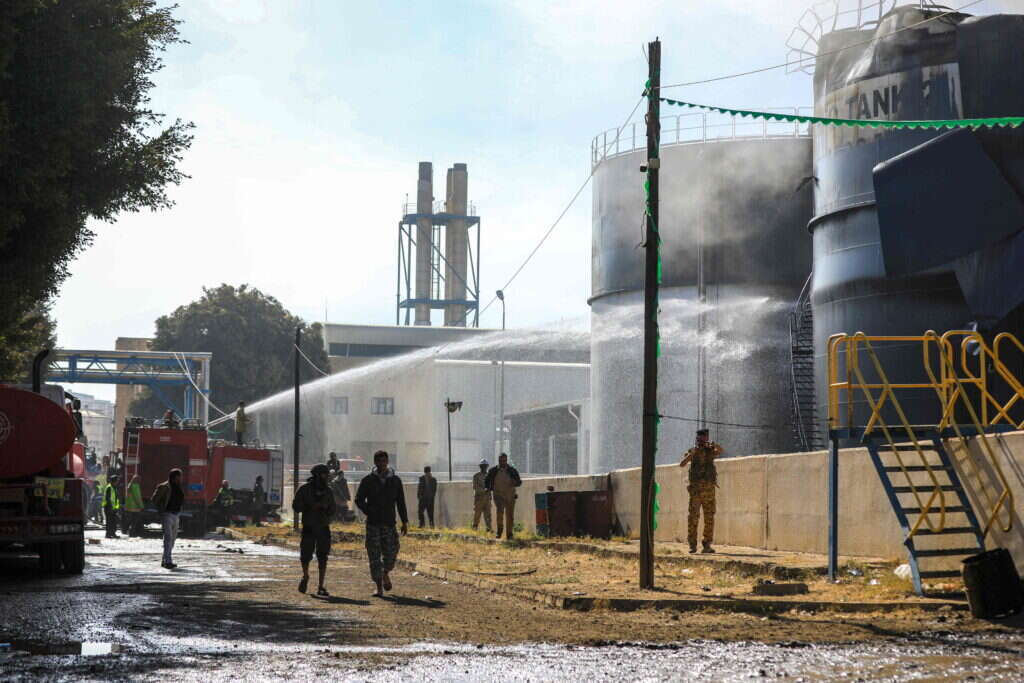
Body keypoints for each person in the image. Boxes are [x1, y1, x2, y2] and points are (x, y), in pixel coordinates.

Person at [355, 450, 408, 598]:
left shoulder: (395, 481)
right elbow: (359, 499)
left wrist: (404, 521)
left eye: (384, 461)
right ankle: (379, 587)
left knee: (392, 552)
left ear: (387, 462)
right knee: (374, 556)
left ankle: (385, 573)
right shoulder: (368, 480)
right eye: (379, 461)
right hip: (373, 524)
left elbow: (401, 502)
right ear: (375, 462)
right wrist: (369, 511)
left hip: (389, 523)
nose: (382, 464)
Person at [292, 464, 336, 596]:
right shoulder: (304, 490)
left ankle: (321, 586)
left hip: (323, 527)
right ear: (317, 475)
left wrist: (325, 507)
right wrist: (309, 506)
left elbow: (333, 509)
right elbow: (296, 506)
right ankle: (305, 576)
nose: (326, 477)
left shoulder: (328, 491)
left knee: (323, 556)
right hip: (309, 526)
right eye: (324, 475)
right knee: (305, 555)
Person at [679, 428, 724, 554]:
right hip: (696, 492)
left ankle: (707, 545)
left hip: (709, 491)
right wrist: (692, 454)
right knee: (693, 517)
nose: (701, 440)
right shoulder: (692, 451)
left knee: (709, 518)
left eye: (704, 438)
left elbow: (721, 451)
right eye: (700, 438)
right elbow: (682, 464)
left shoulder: (710, 450)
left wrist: (714, 445)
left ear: (707, 438)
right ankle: (692, 545)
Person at [151, 468, 185, 569]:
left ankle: (165, 559)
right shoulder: (164, 487)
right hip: (167, 514)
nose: (181, 478)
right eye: (179, 476)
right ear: (175, 477)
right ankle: (168, 561)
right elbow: (154, 499)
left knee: (172, 539)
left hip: (176, 514)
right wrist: (162, 510)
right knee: (168, 538)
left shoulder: (178, 487)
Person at [485, 453, 522, 540]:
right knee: (500, 512)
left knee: (510, 515)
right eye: (501, 460)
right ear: (498, 460)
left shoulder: (512, 470)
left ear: (506, 460)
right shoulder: (493, 471)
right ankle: (499, 532)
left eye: (504, 460)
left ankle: (509, 534)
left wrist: (515, 482)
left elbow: (519, 482)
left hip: (510, 495)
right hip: (498, 495)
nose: (502, 462)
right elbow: (487, 481)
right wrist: (488, 488)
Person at [471, 459, 492, 532]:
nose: (484, 467)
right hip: (479, 498)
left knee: (488, 515)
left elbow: (491, 486)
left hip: (487, 498)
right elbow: (475, 487)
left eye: (485, 466)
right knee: (477, 514)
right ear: (480, 466)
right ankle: (474, 528)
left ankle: (489, 529)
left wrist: (489, 489)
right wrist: (484, 490)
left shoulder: (489, 476)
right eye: (482, 466)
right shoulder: (476, 476)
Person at [102, 475, 121, 539]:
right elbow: (108, 499)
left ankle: (113, 533)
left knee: (113, 522)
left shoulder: (114, 487)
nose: (118, 482)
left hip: (113, 508)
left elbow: (115, 498)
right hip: (108, 507)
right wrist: (110, 508)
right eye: (117, 481)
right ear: (114, 481)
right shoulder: (109, 487)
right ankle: (108, 534)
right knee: (109, 522)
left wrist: (116, 508)